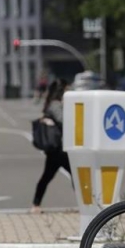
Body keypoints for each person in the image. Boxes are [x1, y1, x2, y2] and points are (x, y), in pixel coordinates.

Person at [31, 78, 71, 214]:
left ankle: (36, 204)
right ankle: (88, 204)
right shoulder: (55, 105)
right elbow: (64, 121)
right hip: (58, 149)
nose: (68, 92)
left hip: (56, 149)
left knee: (47, 176)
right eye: (67, 90)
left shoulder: (52, 103)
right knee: (76, 175)